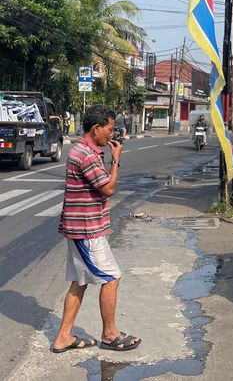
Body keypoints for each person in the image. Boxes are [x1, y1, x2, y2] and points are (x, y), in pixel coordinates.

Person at [52, 104, 141, 353]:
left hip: (82, 228)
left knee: (80, 281)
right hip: (87, 230)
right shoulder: (86, 155)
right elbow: (108, 188)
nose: (111, 135)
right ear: (96, 128)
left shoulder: (86, 151)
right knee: (111, 277)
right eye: (109, 129)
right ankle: (110, 334)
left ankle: (63, 337)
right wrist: (116, 160)